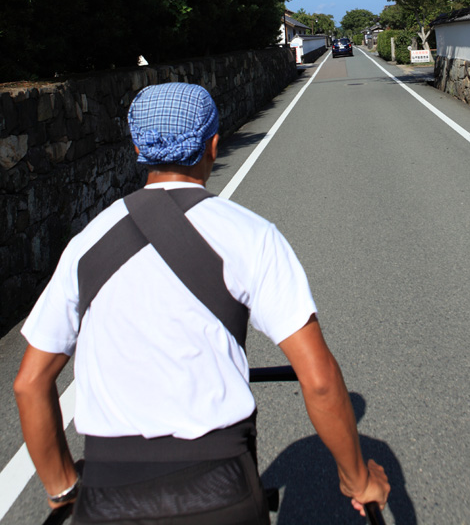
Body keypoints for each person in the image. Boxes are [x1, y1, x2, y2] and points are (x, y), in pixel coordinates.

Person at [14, 82, 389, 524]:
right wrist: (357, 479)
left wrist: (63, 487)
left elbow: (30, 384)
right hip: (220, 489)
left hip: (110, 497)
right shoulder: (251, 235)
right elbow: (320, 380)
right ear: (213, 144)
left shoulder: (85, 244)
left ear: (138, 148)